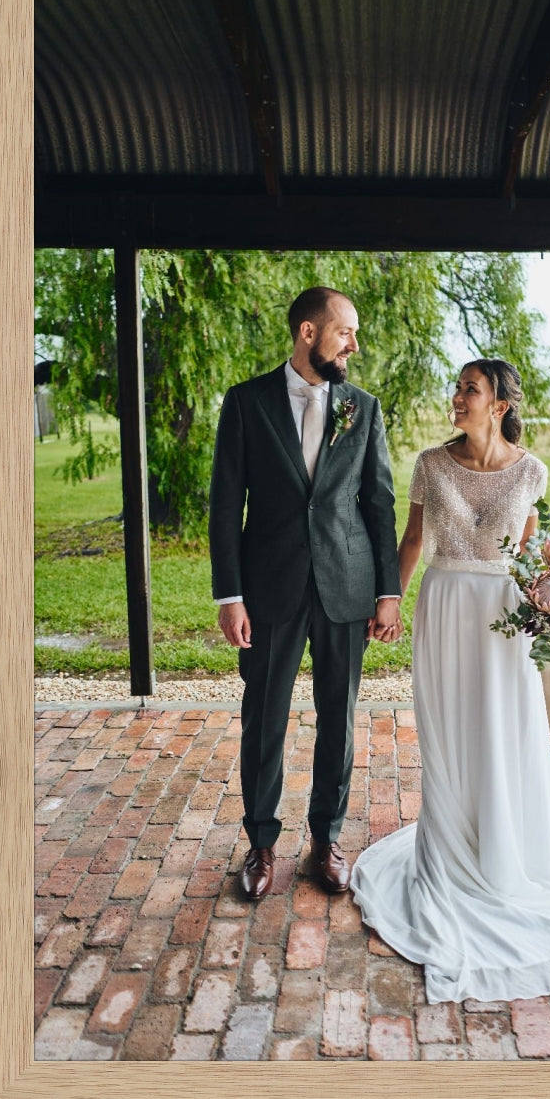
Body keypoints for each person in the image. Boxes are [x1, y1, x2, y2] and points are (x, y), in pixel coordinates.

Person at [351, 359, 550, 1003]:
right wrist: (390, 599)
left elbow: (528, 555)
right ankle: (447, 848)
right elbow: (413, 539)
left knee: (499, 728)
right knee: (446, 729)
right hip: (444, 604)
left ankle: (499, 846)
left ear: (498, 405)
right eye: (458, 387)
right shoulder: (429, 464)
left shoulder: (532, 471)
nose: (458, 396)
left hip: (502, 615)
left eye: (470, 388)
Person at [209, 287, 403, 901]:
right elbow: (225, 504)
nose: (354, 345)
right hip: (269, 588)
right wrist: (230, 596)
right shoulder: (246, 402)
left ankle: (326, 840)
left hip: (347, 586)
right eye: (345, 332)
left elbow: (379, 504)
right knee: (264, 718)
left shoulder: (363, 408)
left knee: (338, 720)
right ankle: (262, 844)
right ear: (308, 332)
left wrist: (389, 592)